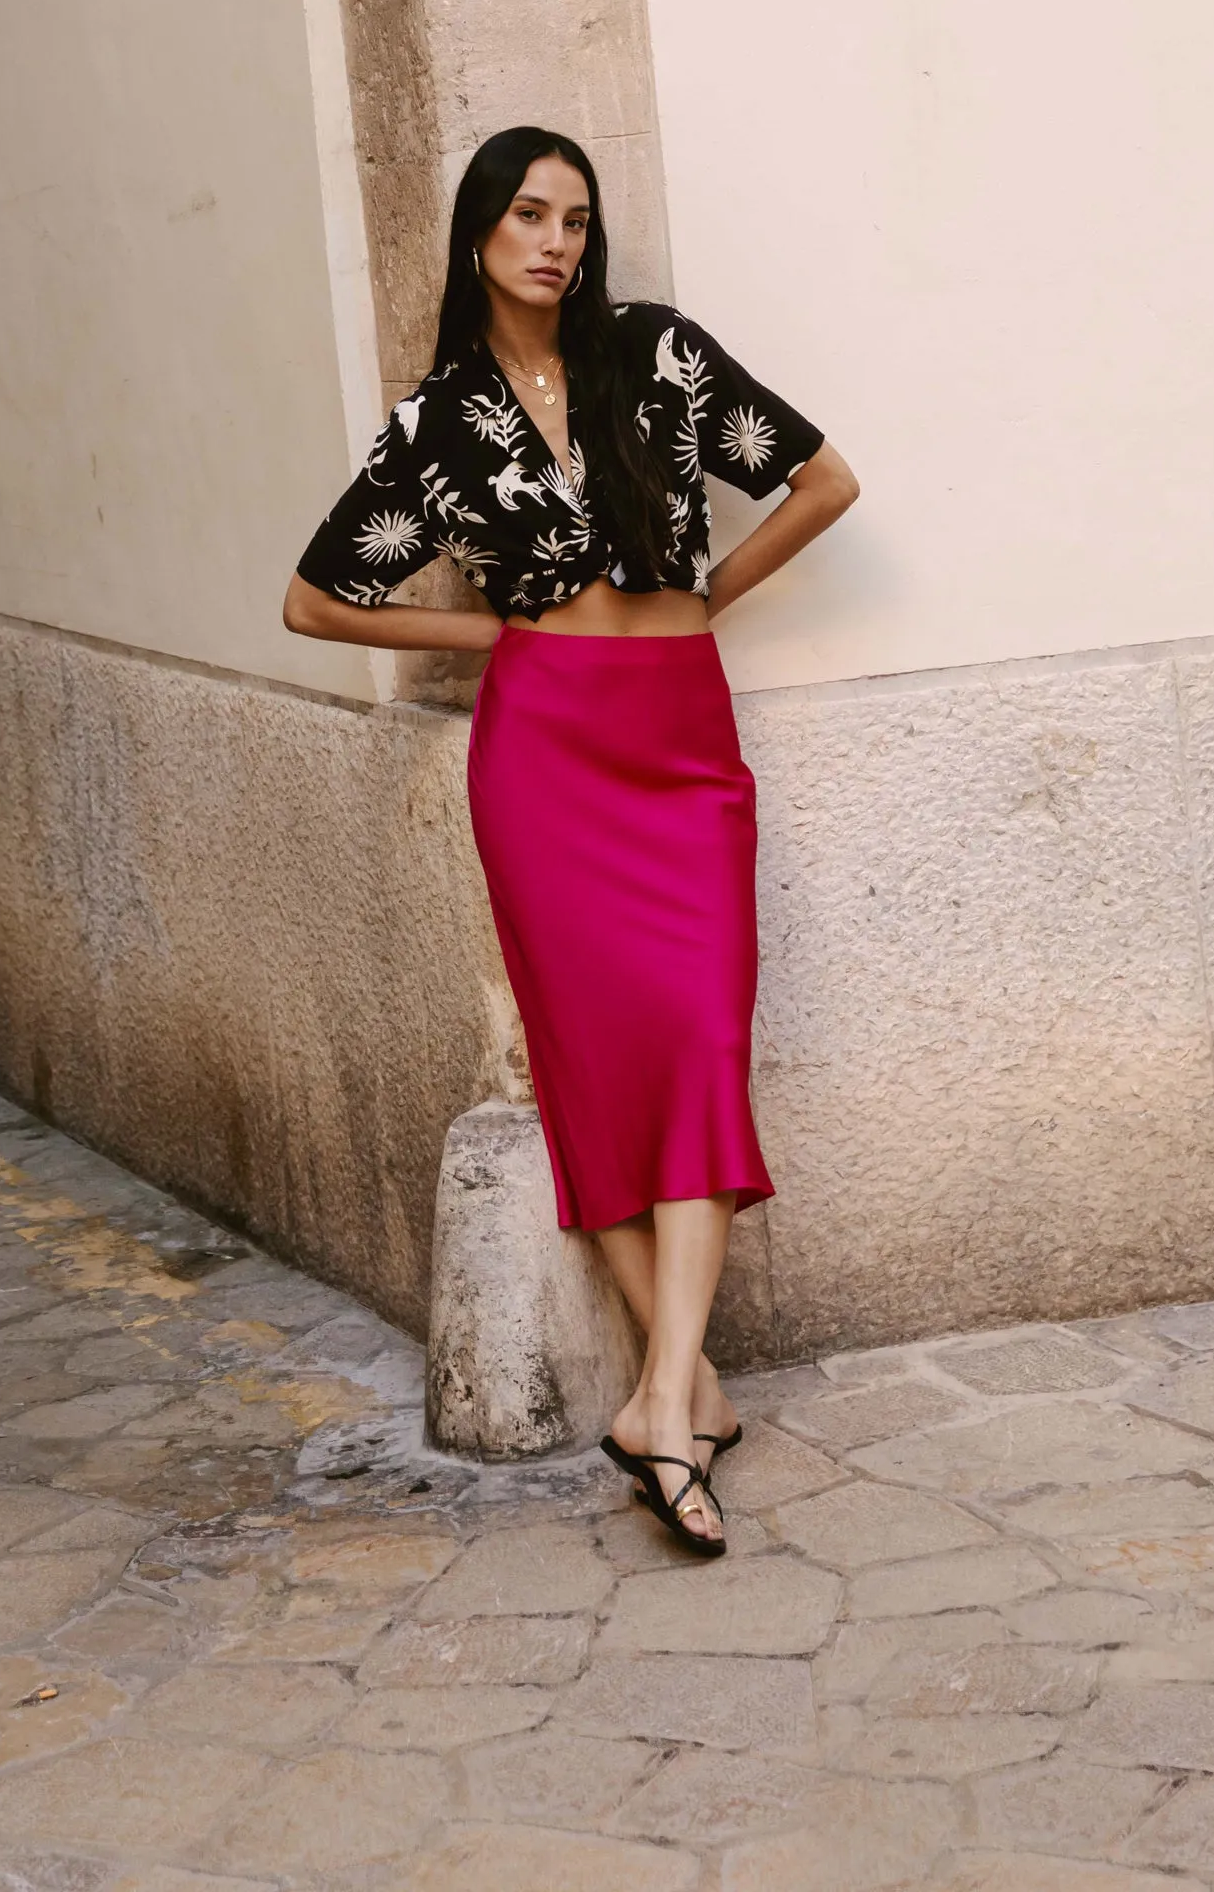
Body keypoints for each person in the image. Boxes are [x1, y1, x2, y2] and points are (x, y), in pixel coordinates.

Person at [285, 126, 858, 1555]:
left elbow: (825, 481)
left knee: (699, 1042)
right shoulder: (435, 426)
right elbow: (316, 601)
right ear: (481, 231)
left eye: (577, 220)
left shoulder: (655, 356)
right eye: (531, 215)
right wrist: (488, 631)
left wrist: (706, 597)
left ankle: (663, 1395)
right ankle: (684, 1392)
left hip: (677, 739)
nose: (558, 241)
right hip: (544, 755)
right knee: (595, 1072)